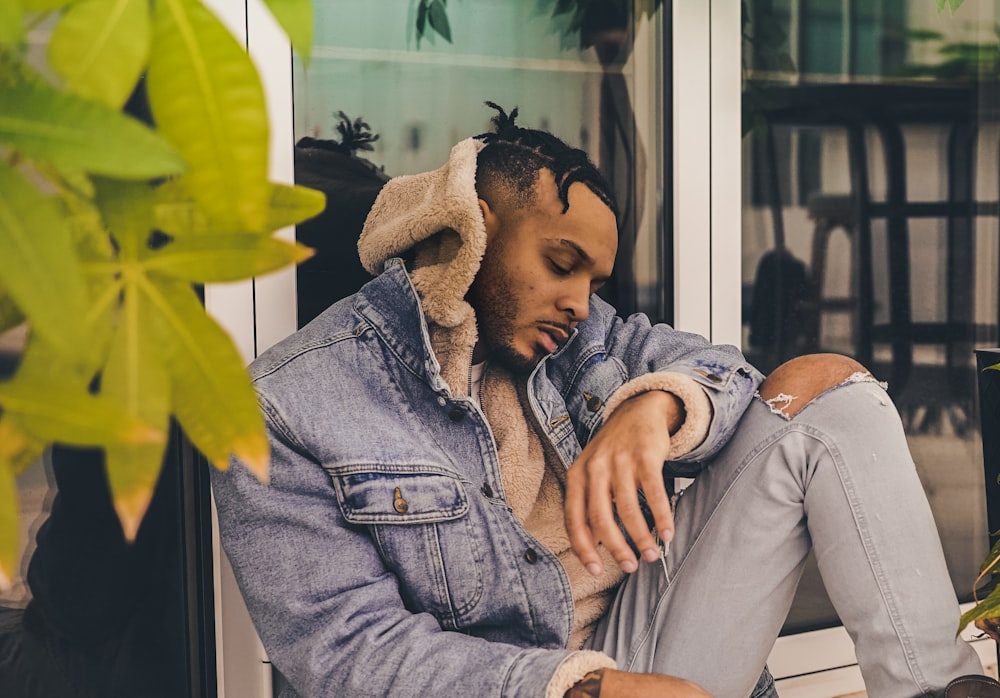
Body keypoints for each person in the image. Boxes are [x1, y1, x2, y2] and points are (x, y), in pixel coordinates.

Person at [210, 102, 991, 697]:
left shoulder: (586, 339)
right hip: (535, 689)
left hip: (656, 651)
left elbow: (717, 368)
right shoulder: (289, 406)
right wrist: (581, 686)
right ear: (471, 230)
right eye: (561, 262)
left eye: (594, 282)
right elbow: (348, 654)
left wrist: (652, 409)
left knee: (833, 397)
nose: (581, 303)